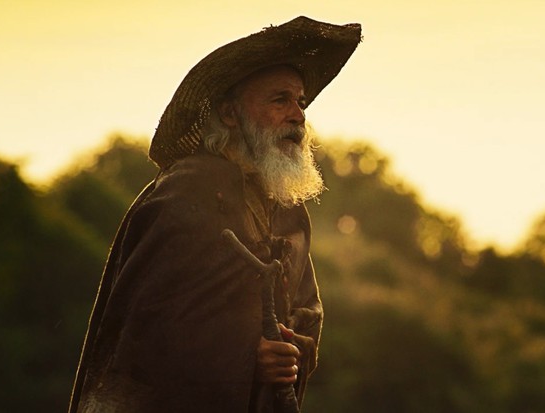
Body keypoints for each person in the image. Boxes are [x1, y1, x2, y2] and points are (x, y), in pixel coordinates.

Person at [68, 16, 361, 413]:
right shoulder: (186, 191)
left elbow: (305, 314)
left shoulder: (286, 211)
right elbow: (143, 332)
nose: (298, 115)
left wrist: (289, 347)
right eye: (280, 100)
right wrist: (246, 354)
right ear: (228, 114)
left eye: (301, 102)